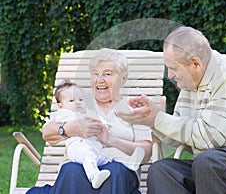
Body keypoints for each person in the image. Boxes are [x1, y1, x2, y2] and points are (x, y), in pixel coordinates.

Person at [117, 26, 226, 194]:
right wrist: (151, 120)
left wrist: (159, 119)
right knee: (161, 171)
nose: (169, 75)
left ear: (196, 64)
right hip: (215, 163)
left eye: (173, 68)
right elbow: (179, 139)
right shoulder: (190, 83)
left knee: (208, 162)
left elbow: (210, 139)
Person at [27, 48, 152, 194]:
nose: (100, 80)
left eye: (107, 74)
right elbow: (47, 133)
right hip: (79, 170)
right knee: (71, 169)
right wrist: (68, 129)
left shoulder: (134, 108)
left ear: (123, 78)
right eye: (95, 74)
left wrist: (110, 139)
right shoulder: (77, 100)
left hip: (120, 172)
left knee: (115, 171)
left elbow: (146, 153)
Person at [53, 79, 145, 189]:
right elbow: (48, 131)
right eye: (72, 101)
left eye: (80, 99)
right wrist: (70, 128)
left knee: (111, 153)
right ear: (60, 106)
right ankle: (94, 175)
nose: (78, 103)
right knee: (87, 159)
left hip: (98, 147)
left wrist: (105, 126)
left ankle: (129, 162)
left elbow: (99, 120)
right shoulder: (64, 114)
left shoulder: (89, 112)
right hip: (79, 148)